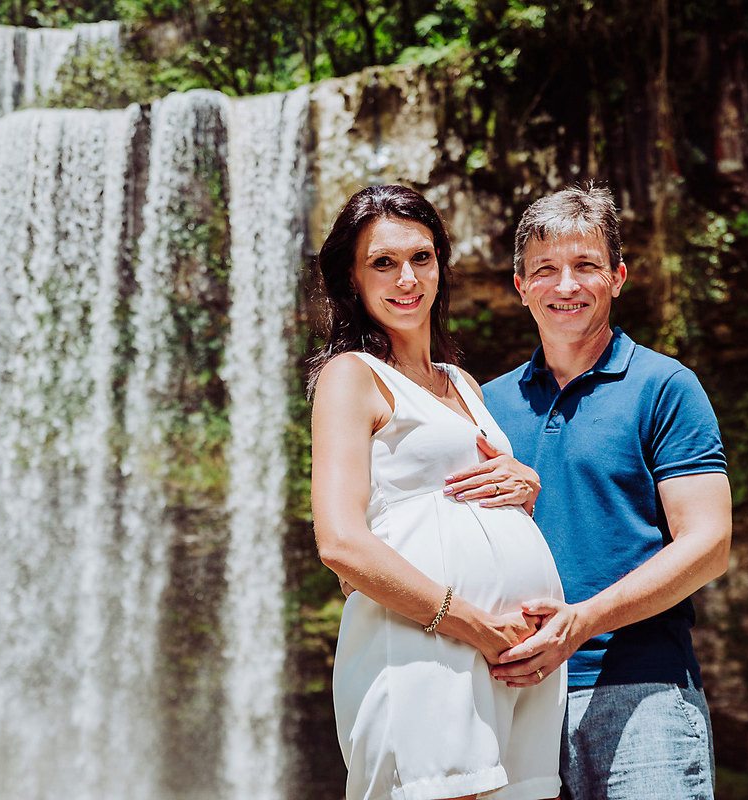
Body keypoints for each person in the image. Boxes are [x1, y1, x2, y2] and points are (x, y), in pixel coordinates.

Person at [444, 183, 732, 799]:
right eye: (545, 270)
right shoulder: (480, 405)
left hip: (642, 692)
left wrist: (582, 622)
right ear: (520, 285)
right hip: (507, 695)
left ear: (618, 276)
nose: (565, 286)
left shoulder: (665, 386)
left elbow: (708, 544)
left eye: (586, 267)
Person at [310, 184, 566, 800]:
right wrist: (472, 623)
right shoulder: (351, 375)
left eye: (422, 257)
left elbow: (463, 503)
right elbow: (342, 543)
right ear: (351, 279)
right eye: (382, 262)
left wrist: (524, 488)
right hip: (425, 646)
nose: (407, 278)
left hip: (511, 658)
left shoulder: (462, 383)